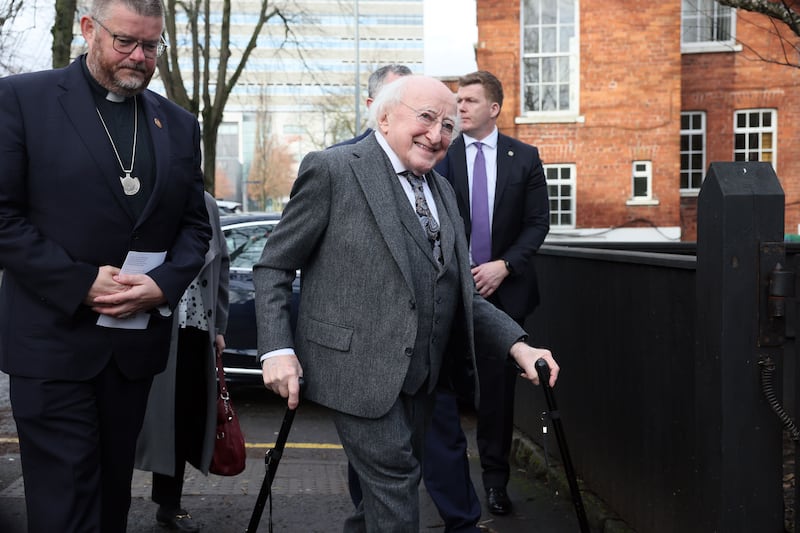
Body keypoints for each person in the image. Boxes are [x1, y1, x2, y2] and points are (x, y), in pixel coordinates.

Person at [253, 74, 559, 532]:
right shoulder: (334, 169)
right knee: (396, 490)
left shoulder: (440, 189)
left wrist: (519, 346)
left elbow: (458, 292)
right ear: (384, 115)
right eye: (426, 118)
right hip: (354, 374)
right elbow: (274, 266)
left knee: (378, 502)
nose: (436, 135)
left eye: (448, 125)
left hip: (421, 381)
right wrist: (277, 349)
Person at [0, 0, 211, 530]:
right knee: (66, 506)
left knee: (111, 502)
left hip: (131, 352)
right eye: (126, 42)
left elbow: (196, 228)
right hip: (51, 346)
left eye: (152, 45)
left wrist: (161, 286)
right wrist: (78, 283)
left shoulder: (179, 125)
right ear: (90, 30)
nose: (140, 57)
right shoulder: (22, 100)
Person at [428, 70, 550, 525]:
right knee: (445, 389)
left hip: (507, 293)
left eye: (470, 101)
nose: (460, 108)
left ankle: (496, 484)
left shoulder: (525, 158)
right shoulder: (441, 154)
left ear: (493, 108)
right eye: (457, 100)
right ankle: (448, 486)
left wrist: (505, 266)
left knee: (498, 394)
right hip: (452, 291)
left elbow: (538, 223)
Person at [135, 191, 230, 532]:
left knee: (181, 420)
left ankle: (169, 504)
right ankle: (103, 497)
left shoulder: (206, 205)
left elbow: (222, 264)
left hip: (195, 330)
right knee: (138, 421)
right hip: (150, 326)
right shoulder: (147, 193)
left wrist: (219, 327)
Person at [329, 63, 413, 149]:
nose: (408, 106)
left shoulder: (424, 155)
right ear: (372, 106)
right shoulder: (336, 158)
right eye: (396, 99)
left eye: (412, 98)